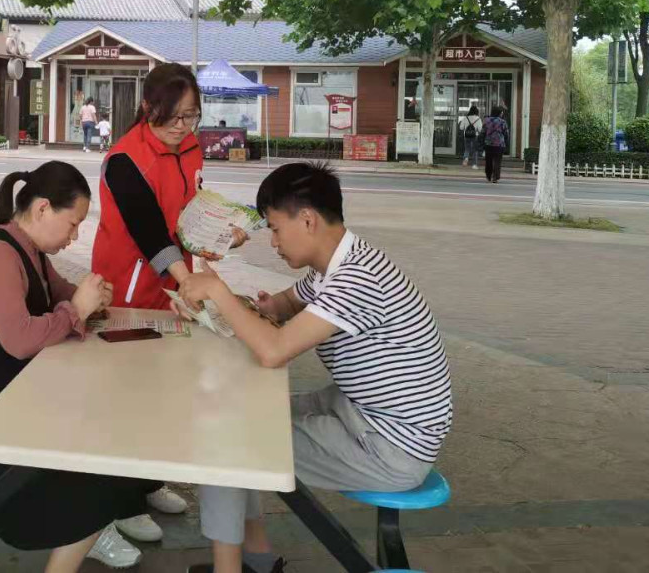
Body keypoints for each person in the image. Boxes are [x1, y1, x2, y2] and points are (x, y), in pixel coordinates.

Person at [179, 162, 452, 573]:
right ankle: (257, 559)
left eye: (275, 229)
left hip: (389, 445)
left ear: (307, 220)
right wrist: (240, 306)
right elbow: (284, 305)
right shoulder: (337, 265)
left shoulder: (357, 278)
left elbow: (274, 351)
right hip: (363, 415)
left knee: (226, 437)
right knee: (243, 414)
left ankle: (232, 569)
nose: (273, 242)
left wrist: (218, 291)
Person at [0, 162, 153, 572]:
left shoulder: (28, 249)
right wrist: (77, 310)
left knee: (106, 442)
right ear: (43, 208)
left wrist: (92, 298)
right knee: (104, 481)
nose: (75, 236)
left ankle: (88, 528)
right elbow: (20, 339)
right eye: (73, 224)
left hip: (8, 403)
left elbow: (59, 293)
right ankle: (84, 530)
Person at [92, 63, 246, 545]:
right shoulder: (125, 159)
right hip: (128, 287)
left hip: (173, 285)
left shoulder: (190, 147)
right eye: (173, 117)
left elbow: (187, 216)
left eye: (192, 116)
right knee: (126, 395)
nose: (183, 127)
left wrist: (219, 237)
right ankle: (116, 504)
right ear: (147, 108)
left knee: (162, 390)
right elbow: (149, 231)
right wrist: (187, 280)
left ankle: (146, 481)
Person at [482, 105, 510, 183]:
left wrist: (482, 142)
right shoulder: (502, 122)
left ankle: (488, 175)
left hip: (488, 143)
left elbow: (483, 132)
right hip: (499, 144)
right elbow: (506, 133)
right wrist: (506, 142)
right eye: (501, 112)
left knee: (488, 160)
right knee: (497, 161)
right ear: (499, 113)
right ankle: (495, 177)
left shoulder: (486, 121)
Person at [458, 104, 482, 169]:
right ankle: (474, 165)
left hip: (467, 136)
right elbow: (480, 129)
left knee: (467, 149)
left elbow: (461, 127)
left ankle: (466, 158)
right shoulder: (478, 119)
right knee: (475, 150)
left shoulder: (465, 118)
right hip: (475, 136)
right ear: (477, 112)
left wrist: (466, 127)